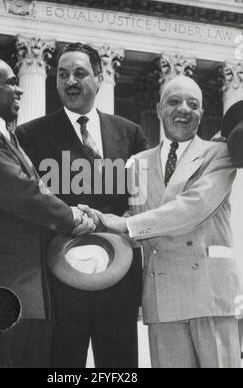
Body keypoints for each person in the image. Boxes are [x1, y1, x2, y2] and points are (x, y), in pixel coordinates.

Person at [0, 56, 95, 368]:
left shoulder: (5, 138)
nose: (20, 89)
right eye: (11, 82)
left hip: (24, 296)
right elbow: (22, 192)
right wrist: (72, 217)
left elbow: (32, 191)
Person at [91, 75, 242, 368]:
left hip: (209, 292)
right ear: (159, 109)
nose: (183, 109)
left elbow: (192, 208)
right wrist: (98, 221)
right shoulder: (136, 163)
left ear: (202, 113)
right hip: (162, 296)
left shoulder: (219, 154)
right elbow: (135, 216)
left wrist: (127, 225)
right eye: (174, 101)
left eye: (193, 104)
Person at [16, 43, 146, 368]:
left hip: (118, 282)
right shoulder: (30, 136)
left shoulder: (131, 135)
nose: (70, 81)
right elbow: (29, 206)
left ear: (99, 78)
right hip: (60, 282)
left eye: (79, 73)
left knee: (119, 371)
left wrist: (121, 221)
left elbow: (142, 205)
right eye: (62, 75)